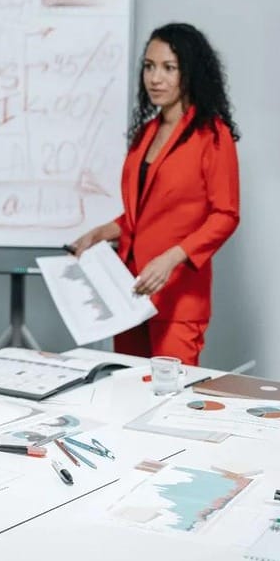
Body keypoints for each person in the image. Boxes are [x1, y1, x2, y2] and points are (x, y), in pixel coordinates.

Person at [70, 22, 240, 366]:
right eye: (149, 67)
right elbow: (146, 211)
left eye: (168, 68)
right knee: (126, 393)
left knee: (169, 400)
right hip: (129, 289)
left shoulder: (212, 135)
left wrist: (172, 257)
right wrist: (103, 232)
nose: (155, 78)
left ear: (190, 72)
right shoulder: (146, 133)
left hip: (177, 294)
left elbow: (225, 215)